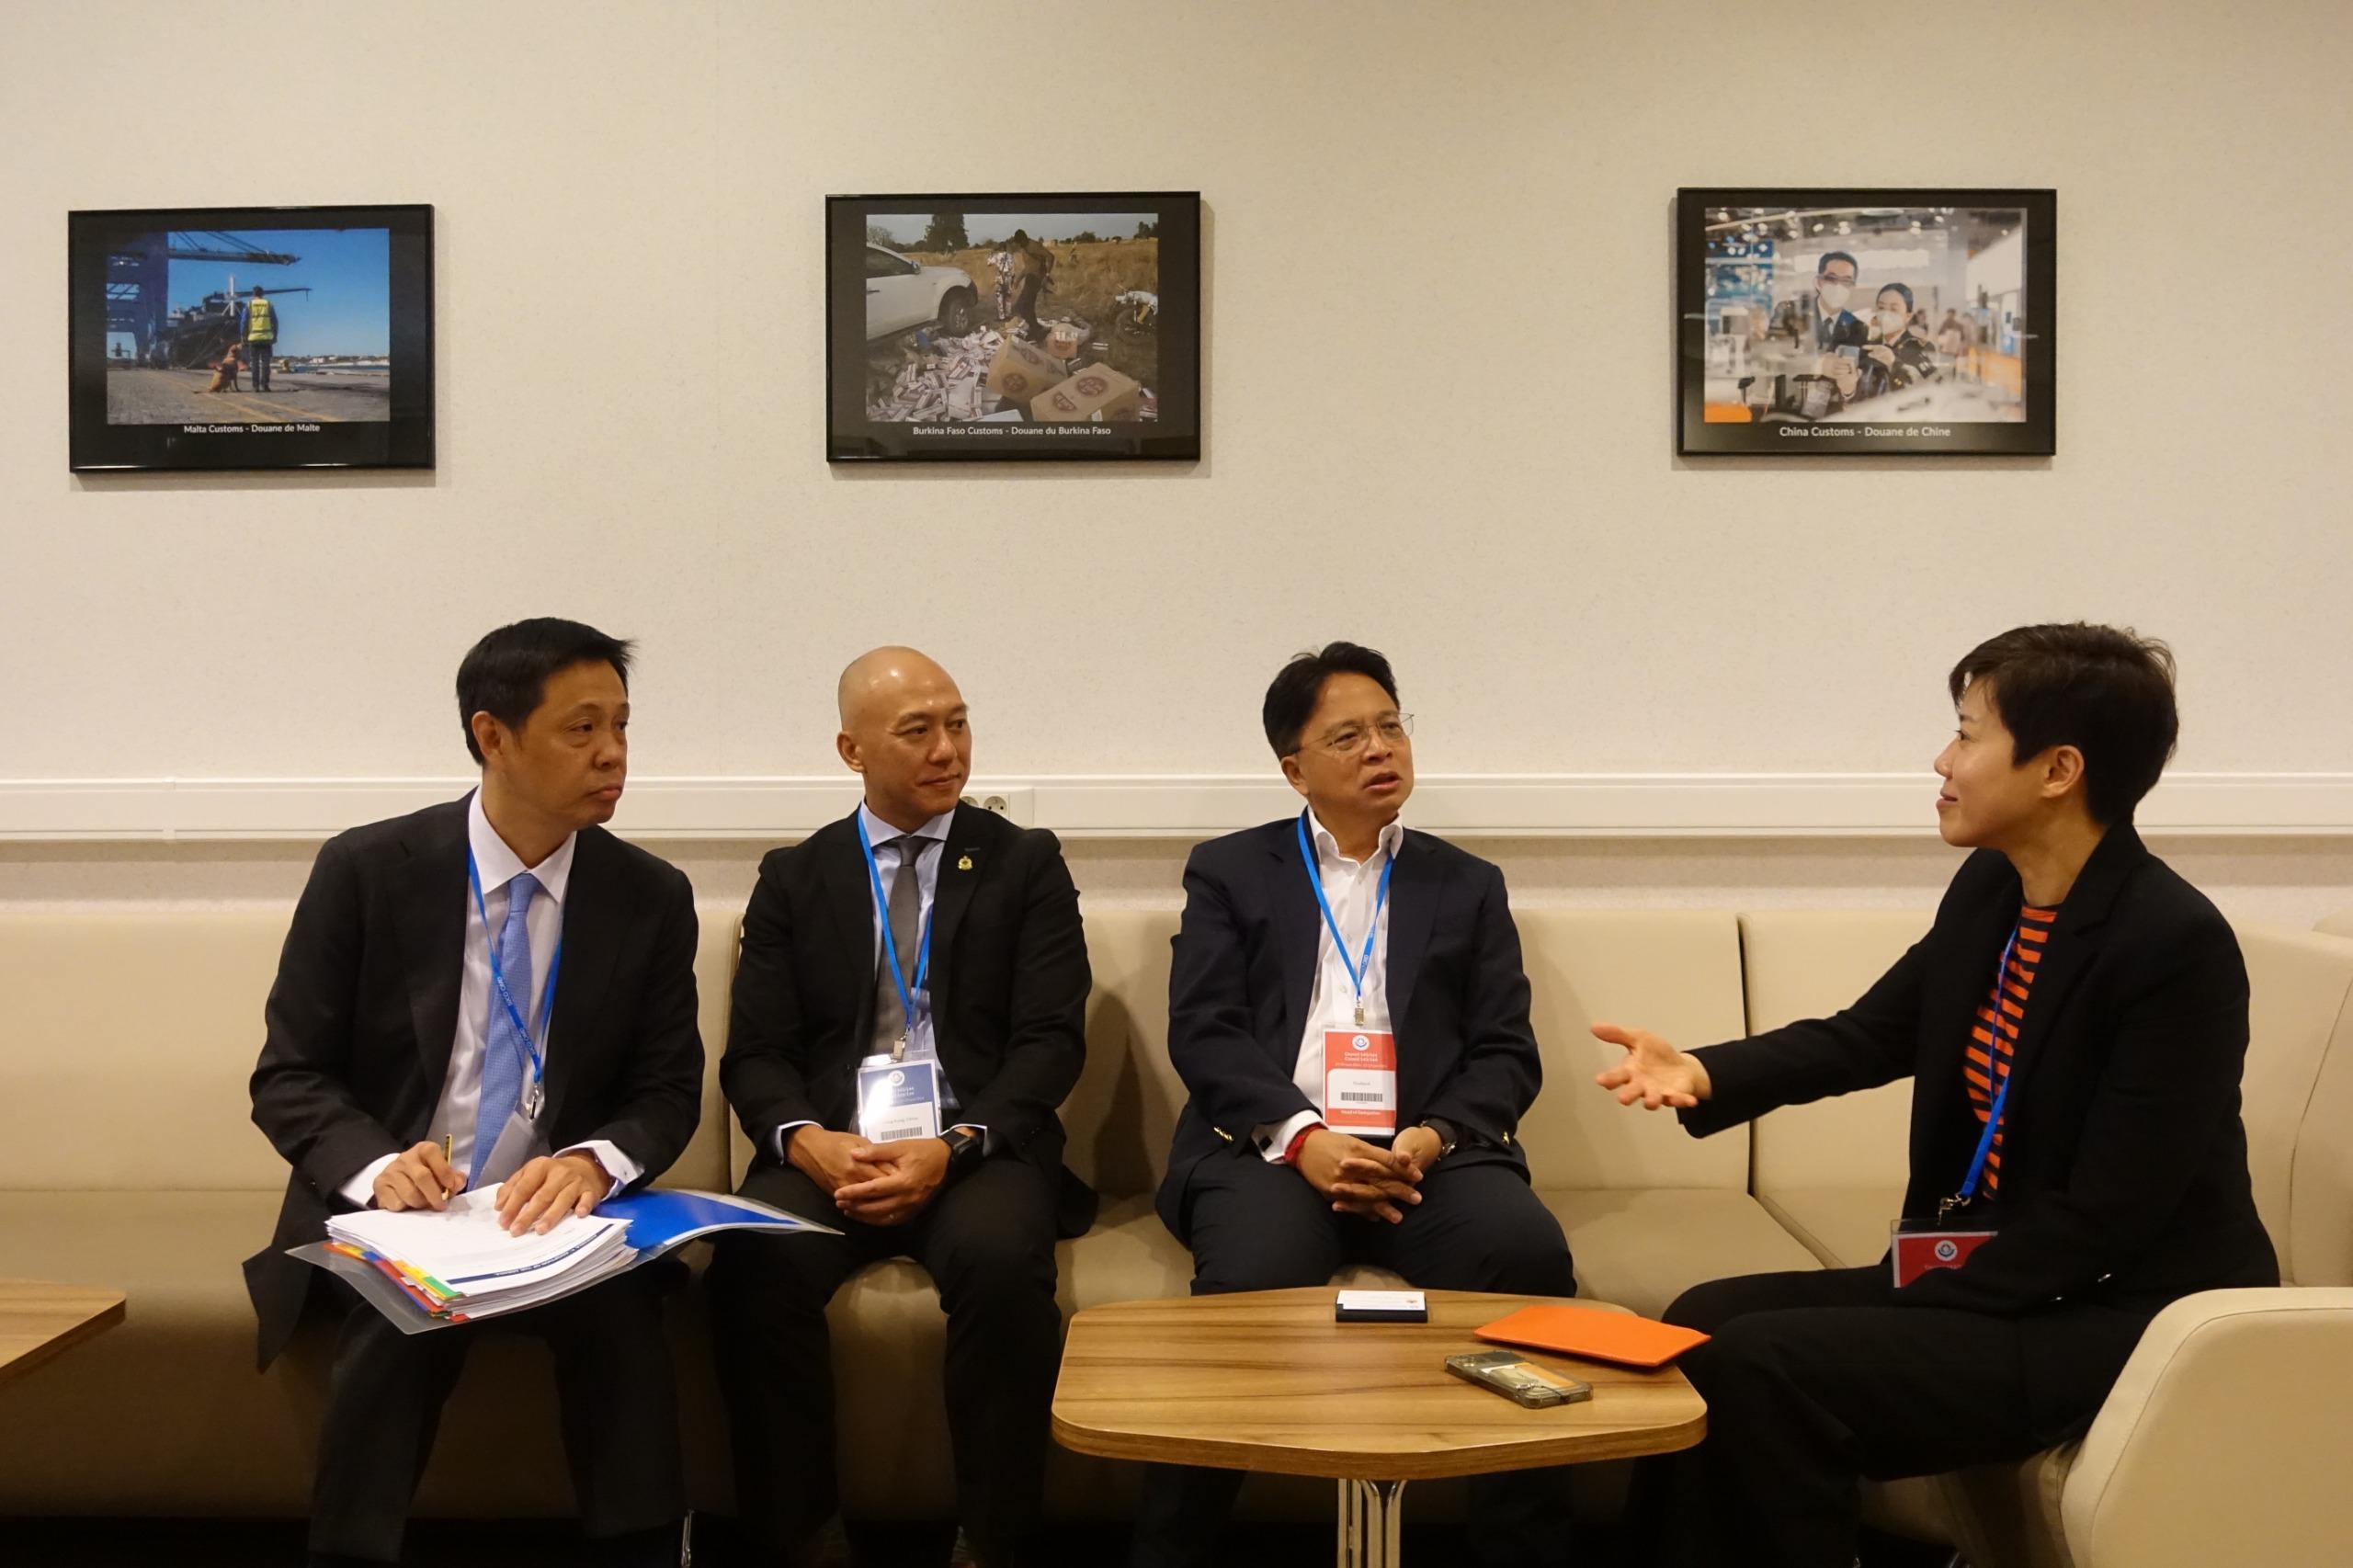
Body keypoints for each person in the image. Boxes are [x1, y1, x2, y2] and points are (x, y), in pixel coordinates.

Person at [1594, 623, 2279, 1568]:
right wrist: (1706, 1071)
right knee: (1704, 1312)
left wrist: (1920, 1298)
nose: (1941, 758)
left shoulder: (2170, 943)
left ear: (2057, 768)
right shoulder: (1994, 890)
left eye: (1966, 733)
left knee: (1763, 1368)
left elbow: (2109, 1215)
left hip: (2121, 1311)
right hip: (2011, 1278)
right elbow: (1874, 1031)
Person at [245, 618, 704, 1568]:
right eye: (581, 729)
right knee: (393, 1315)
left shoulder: (647, 893)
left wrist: (591, 1160)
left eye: (620, 725)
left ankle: (647, 1550)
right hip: (411, 1215)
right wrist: (377, 1168)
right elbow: (289, 1073)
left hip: (558, 1220)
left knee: (621, 1320)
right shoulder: (368, 871)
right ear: (492, 735)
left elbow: (666, 1088)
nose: (612, 753)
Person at [1129, 642, 1576, 1568]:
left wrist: (1430, 1133)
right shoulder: (1230, 870)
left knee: (1523, 1250)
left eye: (1391, 724)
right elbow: (1204, 1030)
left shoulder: (1464, 881)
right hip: (1271, 1147)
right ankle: (1170, 1548)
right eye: (1348, 735)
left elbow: (1505, 1049)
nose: (1381, 747)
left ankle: (1523, 1547)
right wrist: (1304, 1136)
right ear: (1294, 767)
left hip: (1428, 1153)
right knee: (1250, 1274)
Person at [708, 647, 1092, 1568]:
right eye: (916, 729)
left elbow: (1050, 1042)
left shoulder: (1022, 863)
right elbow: (755, 1053)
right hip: (834, 1147)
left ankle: (995, 1537)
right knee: (750, 1266)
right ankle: (798, 1532)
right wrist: (808, 1142)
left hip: (978, 1147)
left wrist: (953, 1144)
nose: (946, 747)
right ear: (852, 749)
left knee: (1002, 1263)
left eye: (957, 722)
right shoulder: (796, 877)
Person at [1859, 281, 1941, 392]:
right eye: (1881, 308)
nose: (1885, 315)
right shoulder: (1868, 347)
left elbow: (1932, 386)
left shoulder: (1920, 348)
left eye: (1894, 309)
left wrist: (1894, 363)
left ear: (1908, 316)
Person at [1807, 251, 1867, 353]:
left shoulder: (1857, 328)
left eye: (1846, 281)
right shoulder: (1794, 313)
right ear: (1819, 281)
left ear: (1853, 287)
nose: (1838, 286)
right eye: (1831, 278)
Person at [242, 283, 278, 392]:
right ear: (262, 294)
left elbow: (243, 322)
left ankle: (255, 386)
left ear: (253, 294)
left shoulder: (249, 305)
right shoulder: (268, 304)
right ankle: (265, 385)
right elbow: (275, 321)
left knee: (255, 363)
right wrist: (275, 335)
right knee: (266, 363)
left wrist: (243, 336)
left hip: (253, 338)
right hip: (267, 338)